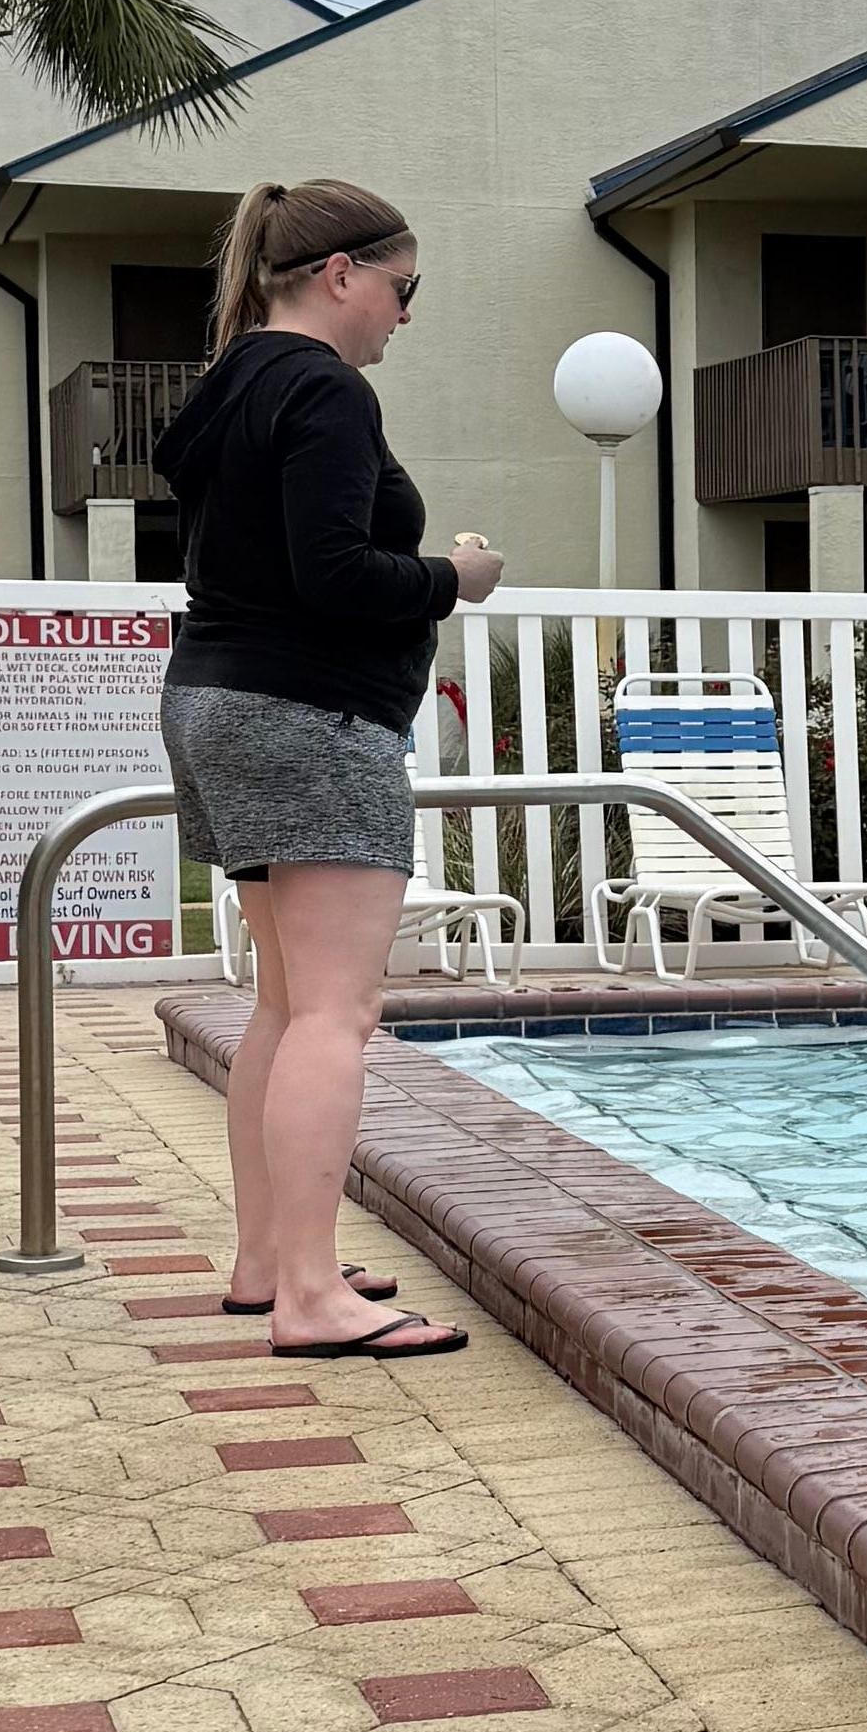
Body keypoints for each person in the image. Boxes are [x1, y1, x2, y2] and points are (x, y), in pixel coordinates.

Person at [157, 177, 503, 1355]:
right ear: (343, 274)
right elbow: (336, 576)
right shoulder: (323, 388)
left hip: (215, 700)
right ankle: (311, 1299)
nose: (406, 315)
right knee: (337, 1016)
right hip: (309, 714)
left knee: (285, 1002)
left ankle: (269, 1262)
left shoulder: (231, 383)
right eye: (405, 290)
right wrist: (454, 579)